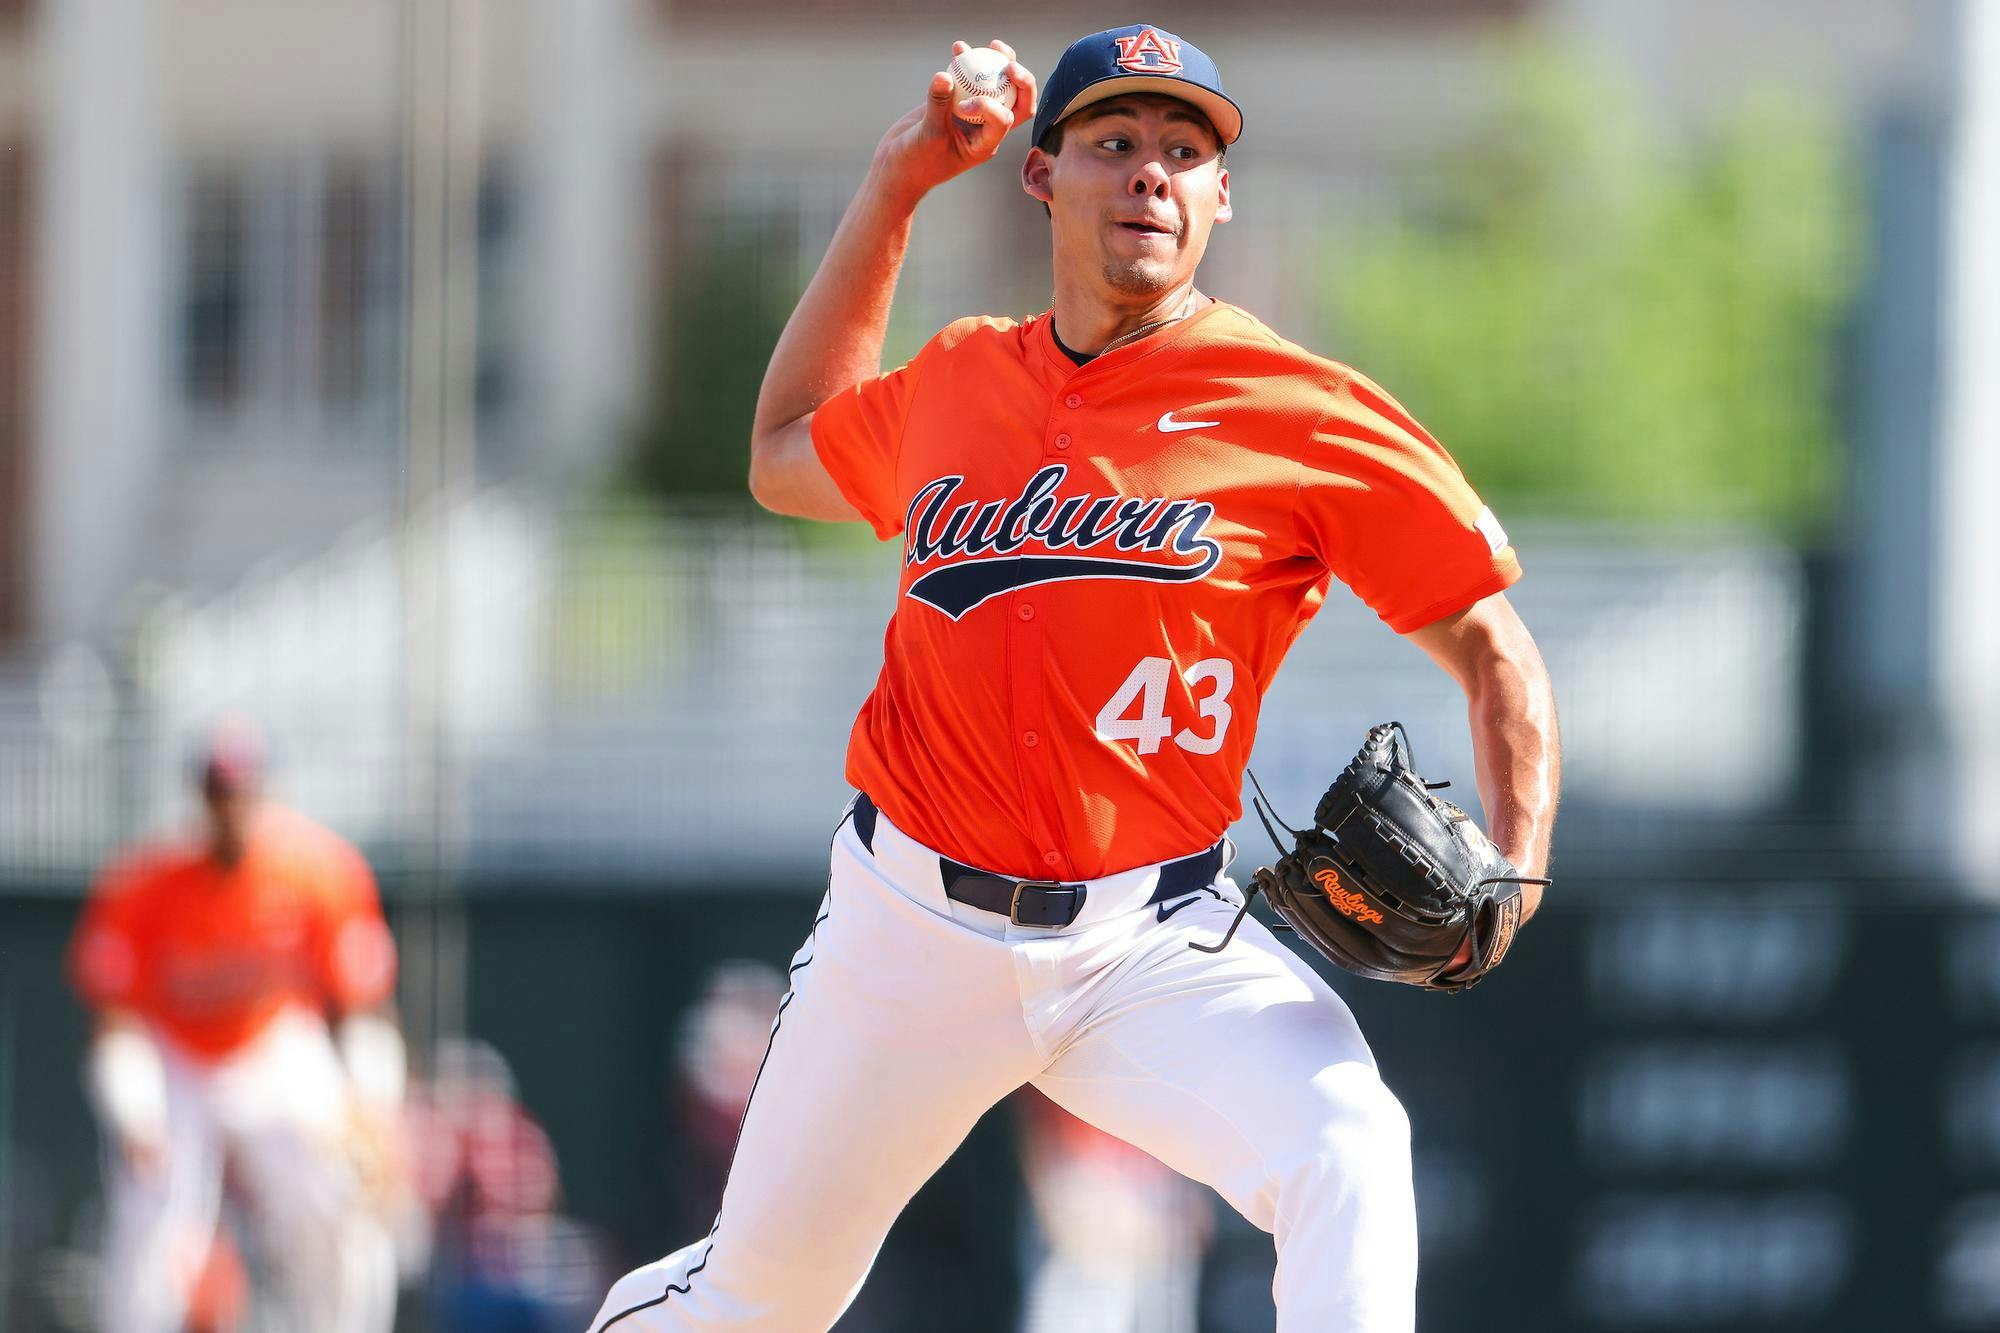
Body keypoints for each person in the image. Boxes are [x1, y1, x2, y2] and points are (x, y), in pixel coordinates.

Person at [590, 23, 1560, 1332]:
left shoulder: (1299, 412)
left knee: (1350, 1144)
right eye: (1114, 142)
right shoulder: (957, 380)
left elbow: (1494, 647)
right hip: (909, 935)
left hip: (1149, 939)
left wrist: (1518, 862)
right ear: (1043, 176)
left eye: (1184, 151)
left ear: (1223, 197)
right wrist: (897, 180)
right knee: (759, 1304)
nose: (1151, 173)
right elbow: (779, 453)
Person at [66, 720, 406, 1333]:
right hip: (178, 1056)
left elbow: (363, 1004)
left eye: (243, 789)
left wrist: (370, 1106)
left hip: (274, 1046)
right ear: (200, 798)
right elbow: (115, 1022)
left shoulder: (319, 869)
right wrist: (135, 1109)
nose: (232, 806)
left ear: (265, 792)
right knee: (152, 1219)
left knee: (342, 1204)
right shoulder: (145, 880)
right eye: (219, 791)